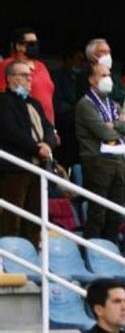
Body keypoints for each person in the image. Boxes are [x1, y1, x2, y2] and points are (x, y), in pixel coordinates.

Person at [78, 61, 125, 241]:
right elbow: (104, 133)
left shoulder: (112, 104)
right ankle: (91, 253)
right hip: (97, 161)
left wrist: (116, 123)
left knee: (115, 214)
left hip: (118, 162)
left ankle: (109, 253)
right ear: (91, 79)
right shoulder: (86, 104)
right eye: (103, 75)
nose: (108, 79)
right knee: (98, 213)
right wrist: (120, 124)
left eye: (109, 75)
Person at [0, 60, 57, 242]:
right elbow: (10, 131)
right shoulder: (3, 101)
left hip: (38, 167)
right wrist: (36, 148)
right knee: (12, 217)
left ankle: (31, 257)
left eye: (30, 76)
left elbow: (48, 127)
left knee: (35, 219)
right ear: (10, 78)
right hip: (14, 168)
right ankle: (9, 258)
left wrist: (47, 144)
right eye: (24, 75)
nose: (29, 79)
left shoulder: (35, 103)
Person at [0, 28, 56, 122]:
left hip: (47, 125)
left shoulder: (41, 66)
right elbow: (3, 95)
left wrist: (53, 130)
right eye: (31, 44)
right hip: (24, 123)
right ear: (18, 46)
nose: (35, 47)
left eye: (36, 43)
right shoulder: (8, 65)